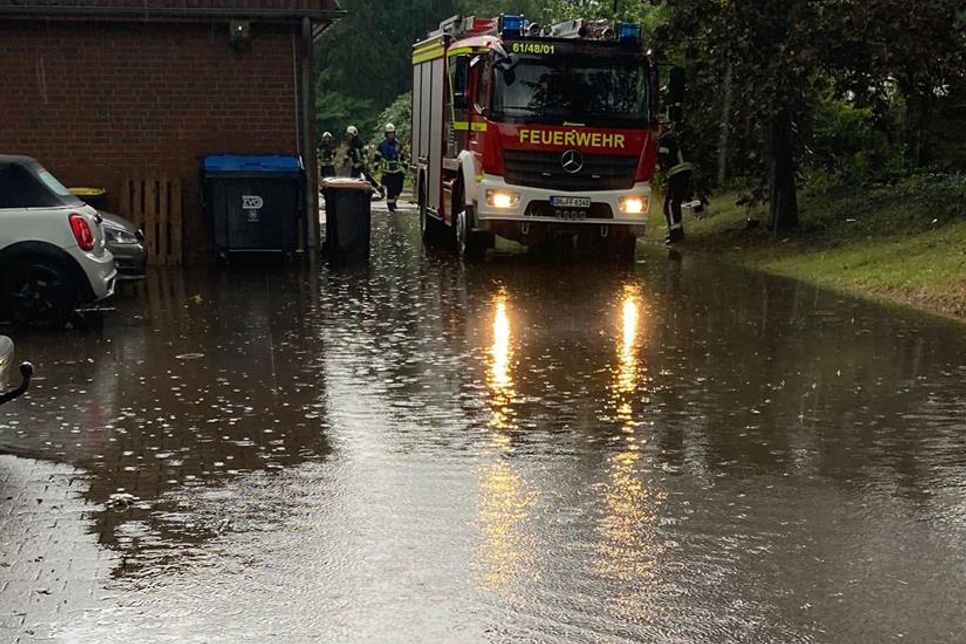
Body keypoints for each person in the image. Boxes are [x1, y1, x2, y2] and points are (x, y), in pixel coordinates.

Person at [657, 122, 693, 244]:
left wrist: (658, 168)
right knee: (673, 203)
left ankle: (675, 234)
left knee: (670, 204)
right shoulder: (675, 137)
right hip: (685, 171)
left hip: (677, 172)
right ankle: (678, 231)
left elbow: (662, 157)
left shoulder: (665, 139)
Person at [345, 125, 385, 198]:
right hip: (355, 165)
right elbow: (350, 154)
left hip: (361, 165)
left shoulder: (359, 143)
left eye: (349, 136)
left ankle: (377, 189)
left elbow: (362, 154)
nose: (348, 137)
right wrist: (347, 158)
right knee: (355, 179)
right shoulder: (352, 144)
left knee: (365, 178)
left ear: (353, 134)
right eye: (348, 136)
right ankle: (355, 193)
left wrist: (353, 153)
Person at [374, 123, 406, 212]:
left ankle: (394, 202)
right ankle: (390, 206)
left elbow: (402, 156)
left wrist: (405, 167)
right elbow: (377, 156)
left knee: (399, 189)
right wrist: (376, 166)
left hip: (398, 170)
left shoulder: (398, 144)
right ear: (386, 134)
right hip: (387, 171)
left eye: (392, 133)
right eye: (389, 133)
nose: (391, 135)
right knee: (390, 189)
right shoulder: (382, 145)